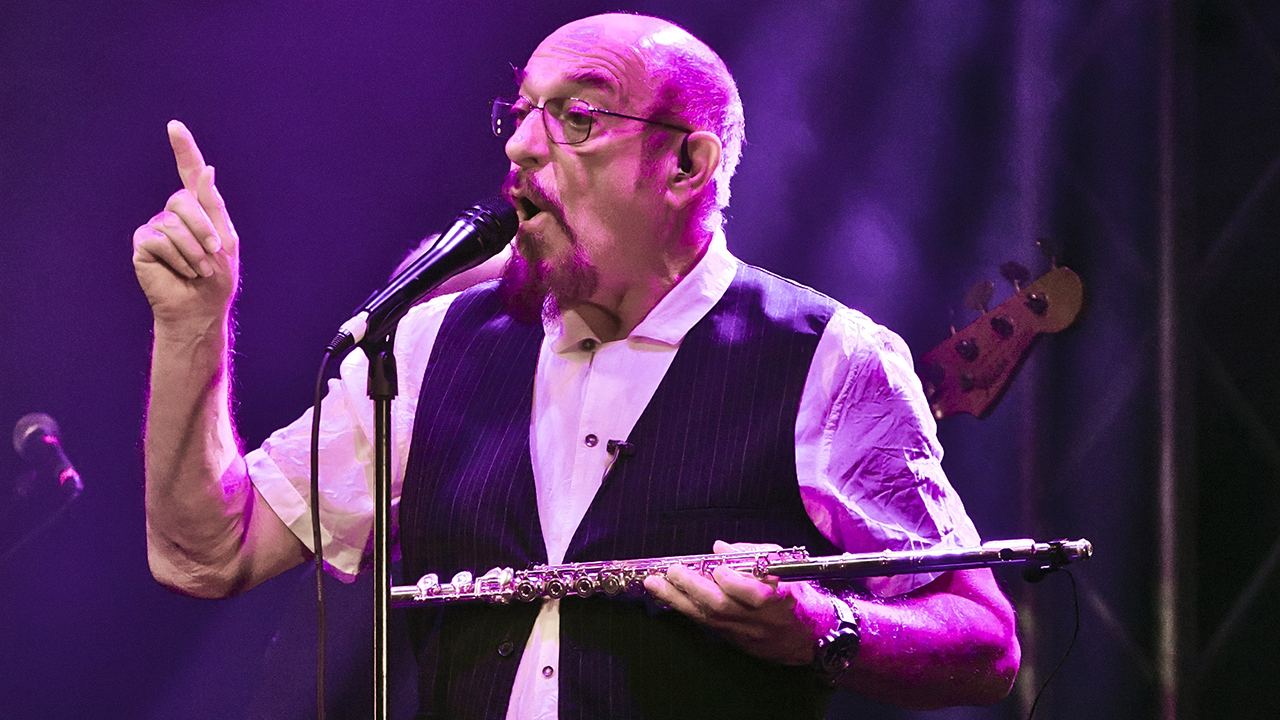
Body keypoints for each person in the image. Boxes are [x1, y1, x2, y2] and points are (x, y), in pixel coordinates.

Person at [133, 13, 1019, 719]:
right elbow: (205, 553)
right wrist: (192, 324)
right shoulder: (431, 342)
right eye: (519, 114)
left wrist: (822, 627)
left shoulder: (830, 362)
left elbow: (985, 644)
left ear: (686, 162)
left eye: (578, 117)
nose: (521, 147)